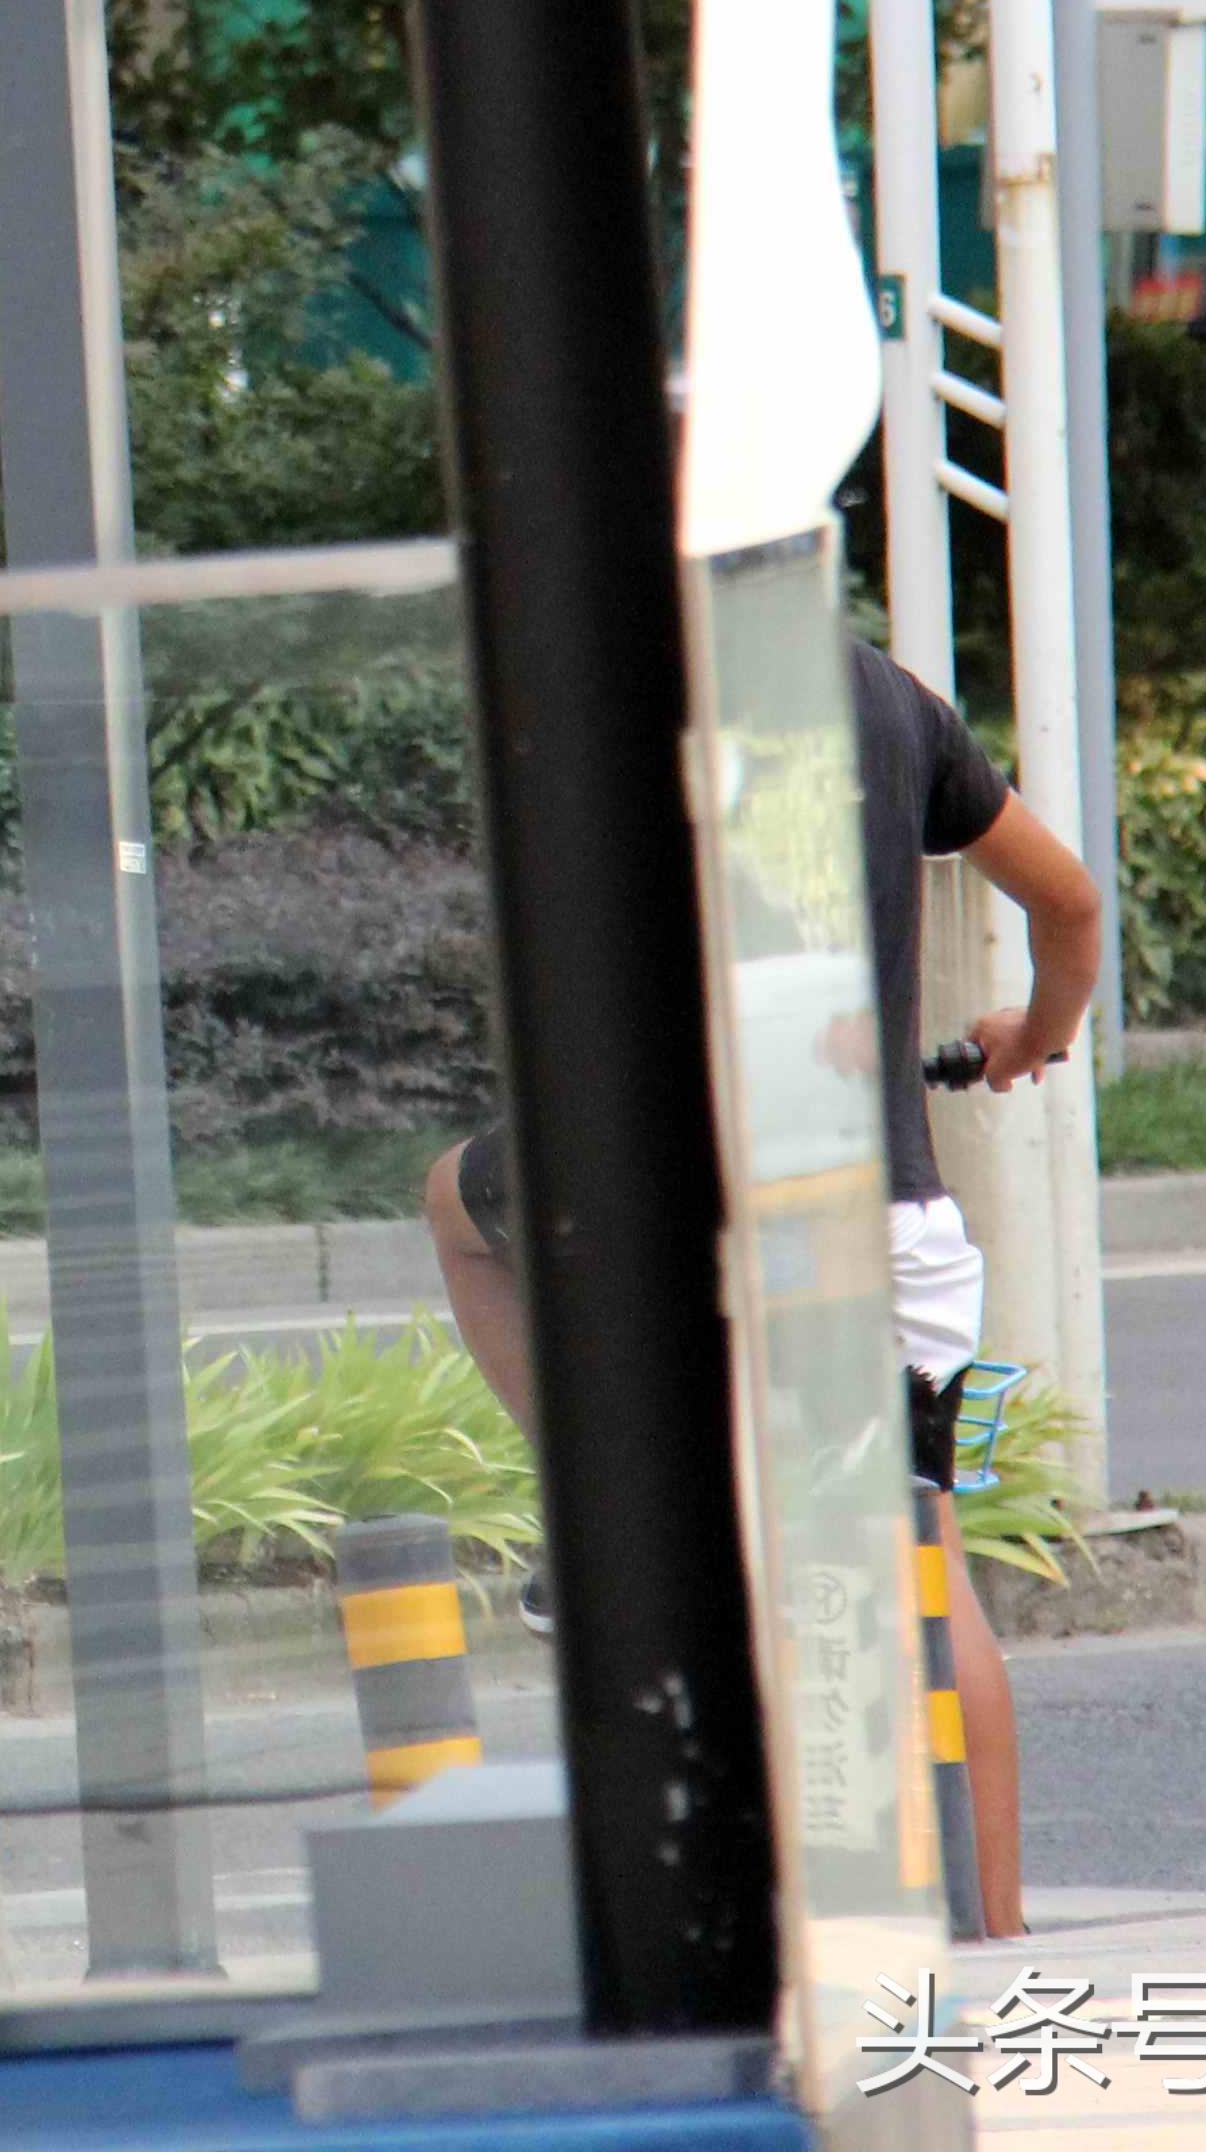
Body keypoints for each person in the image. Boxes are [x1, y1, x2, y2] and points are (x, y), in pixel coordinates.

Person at [419, 637, 1103, 1942]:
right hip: (896, 1222)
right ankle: (992, 1934)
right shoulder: (884, 693)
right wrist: (1039, 1033)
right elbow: (1067, 907)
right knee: (924, 1565)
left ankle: (599, 1503)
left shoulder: (630, 683)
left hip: (706, 1207)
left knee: (458, 1203)